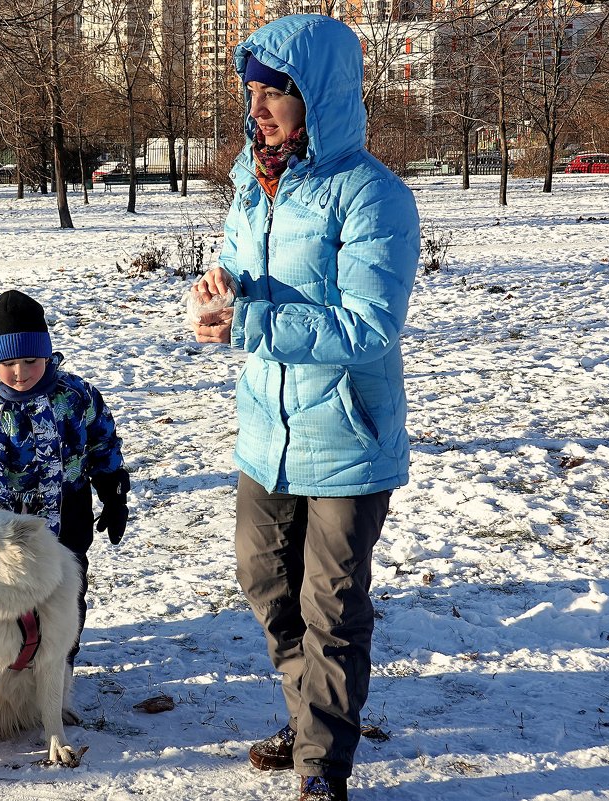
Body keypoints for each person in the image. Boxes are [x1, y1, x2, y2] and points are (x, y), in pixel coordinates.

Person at [189, 14, 420, 801]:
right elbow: (231, 274)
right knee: (263, 580)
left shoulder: (372, 195)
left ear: (316, 99)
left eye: (272, 95)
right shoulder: (253, 187)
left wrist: (250, 322)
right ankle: (309, 708)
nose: (255, 110)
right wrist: (213, 298)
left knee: (331, 604)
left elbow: (368, 324)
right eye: (249, 94)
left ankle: (322, 763)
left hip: (347, 435)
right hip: (267, 433)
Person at [0, 289, 129, 667]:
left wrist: (112, 492)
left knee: (68, 590)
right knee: (15, 594)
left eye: (30, 360)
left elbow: (102, 441)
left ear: (48, 353)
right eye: (8, 363)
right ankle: (16, 662)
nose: (20, 372)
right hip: (17, 524)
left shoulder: (76, 395)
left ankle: (60, 665)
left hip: (71, 509)